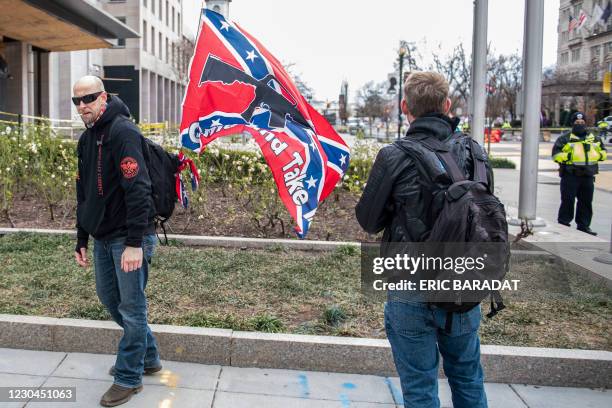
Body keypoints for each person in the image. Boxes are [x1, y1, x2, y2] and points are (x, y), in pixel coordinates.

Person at [356, 72, 490, 408]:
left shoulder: (393, 156)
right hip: (463, 282)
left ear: (405, 107)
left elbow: (368, 221)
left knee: (419, 388)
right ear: (447, 106)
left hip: (410, 285)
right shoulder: (473, 151)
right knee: (468, 377)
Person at [72, 76, 161, 407]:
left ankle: (128, 377)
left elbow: (139, 190)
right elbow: (83, 194)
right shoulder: (87, 139)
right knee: (110, 299)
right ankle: (148, 356)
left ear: (103, 97)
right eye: (77, 101)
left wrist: (135, 244)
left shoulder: (123, 132)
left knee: (132, 307)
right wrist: (82, 236)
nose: (82, 106)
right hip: (102, 237)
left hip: (130, 237)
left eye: (89, 98)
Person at [552, 112, 607, 236]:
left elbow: (603, 153)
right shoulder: (565, 138)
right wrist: (569, 156)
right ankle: (563, 225)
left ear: (585, 124)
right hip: (570, 175)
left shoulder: (594, 138)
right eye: (577, 123)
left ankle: (584, 226)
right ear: (573, 124)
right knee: (568, 201)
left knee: (586, 202)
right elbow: (556, 155)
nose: (580, 125)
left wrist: (597, 155)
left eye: (582, 123)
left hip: (588, 175)